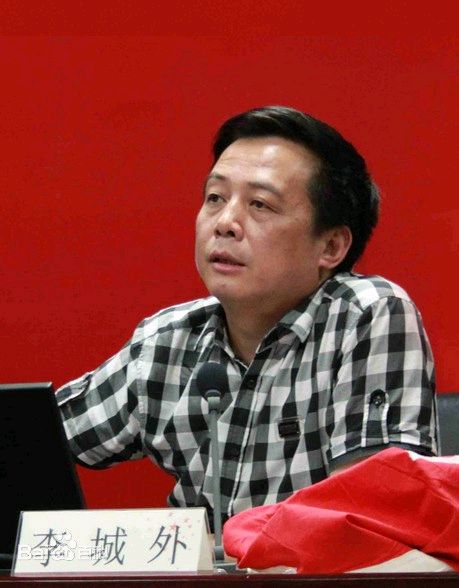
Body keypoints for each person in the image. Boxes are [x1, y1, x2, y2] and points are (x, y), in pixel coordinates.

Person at [56, 106, 437, 529]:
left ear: (330, 246)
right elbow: (30, 439)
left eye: (260, 204)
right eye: (215, 198)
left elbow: (369, 520)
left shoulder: (366, 315)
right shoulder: (168, 341)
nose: (225, 223)